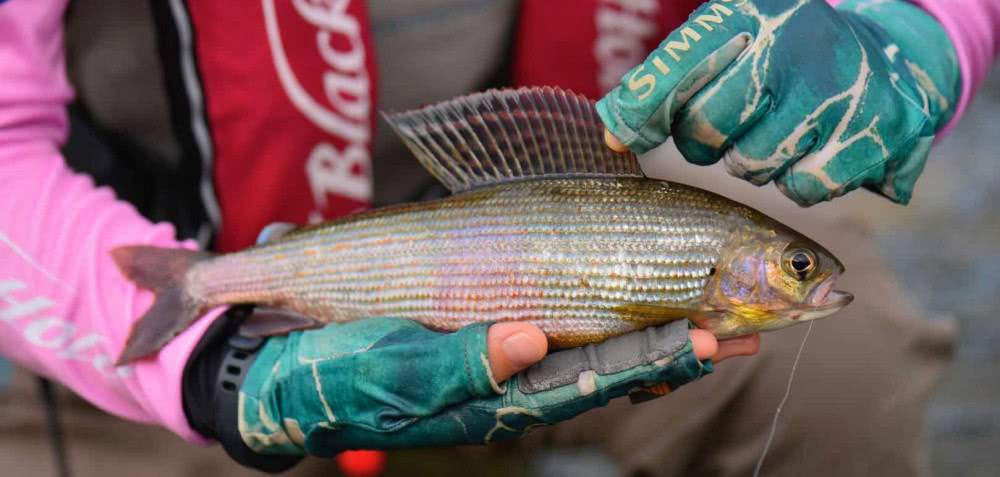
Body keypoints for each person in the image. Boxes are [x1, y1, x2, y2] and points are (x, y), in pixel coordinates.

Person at [0, 0, 994, 475]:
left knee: (845, 370)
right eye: (789, 271)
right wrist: (199, 361)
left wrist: (925, 23)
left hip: (550, 230)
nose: (799, 279)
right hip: (121, 309)